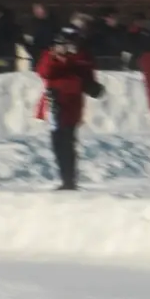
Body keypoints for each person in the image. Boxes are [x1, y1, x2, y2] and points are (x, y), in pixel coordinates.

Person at [36, 29, 101, 192]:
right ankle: (65, 178)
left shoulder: (80, 59)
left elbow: (87, 79)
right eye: (61, 45)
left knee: (67, 141)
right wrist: (56, 57)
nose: (65, 48)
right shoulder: (50, 57)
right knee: (57, 142)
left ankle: (69, 180)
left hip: (71, 105)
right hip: (54, 104)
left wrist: (91, 86)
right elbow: (44, 72)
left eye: (67, 44)